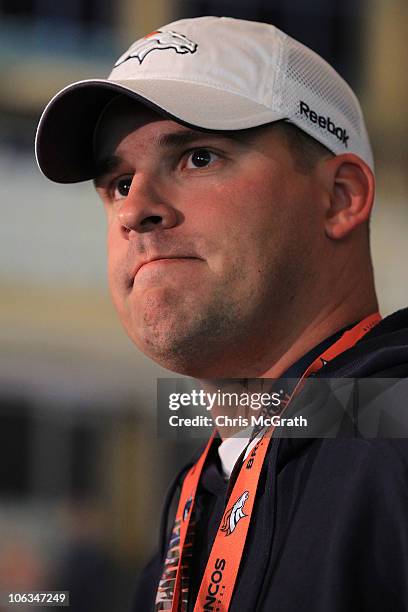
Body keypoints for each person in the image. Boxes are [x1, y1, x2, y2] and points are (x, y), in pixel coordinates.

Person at [35, 16, 408, 612]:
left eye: (198, 158)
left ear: (340, 198)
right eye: (119, 182)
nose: (135, 210)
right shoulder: (203, 499)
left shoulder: (389, 443)